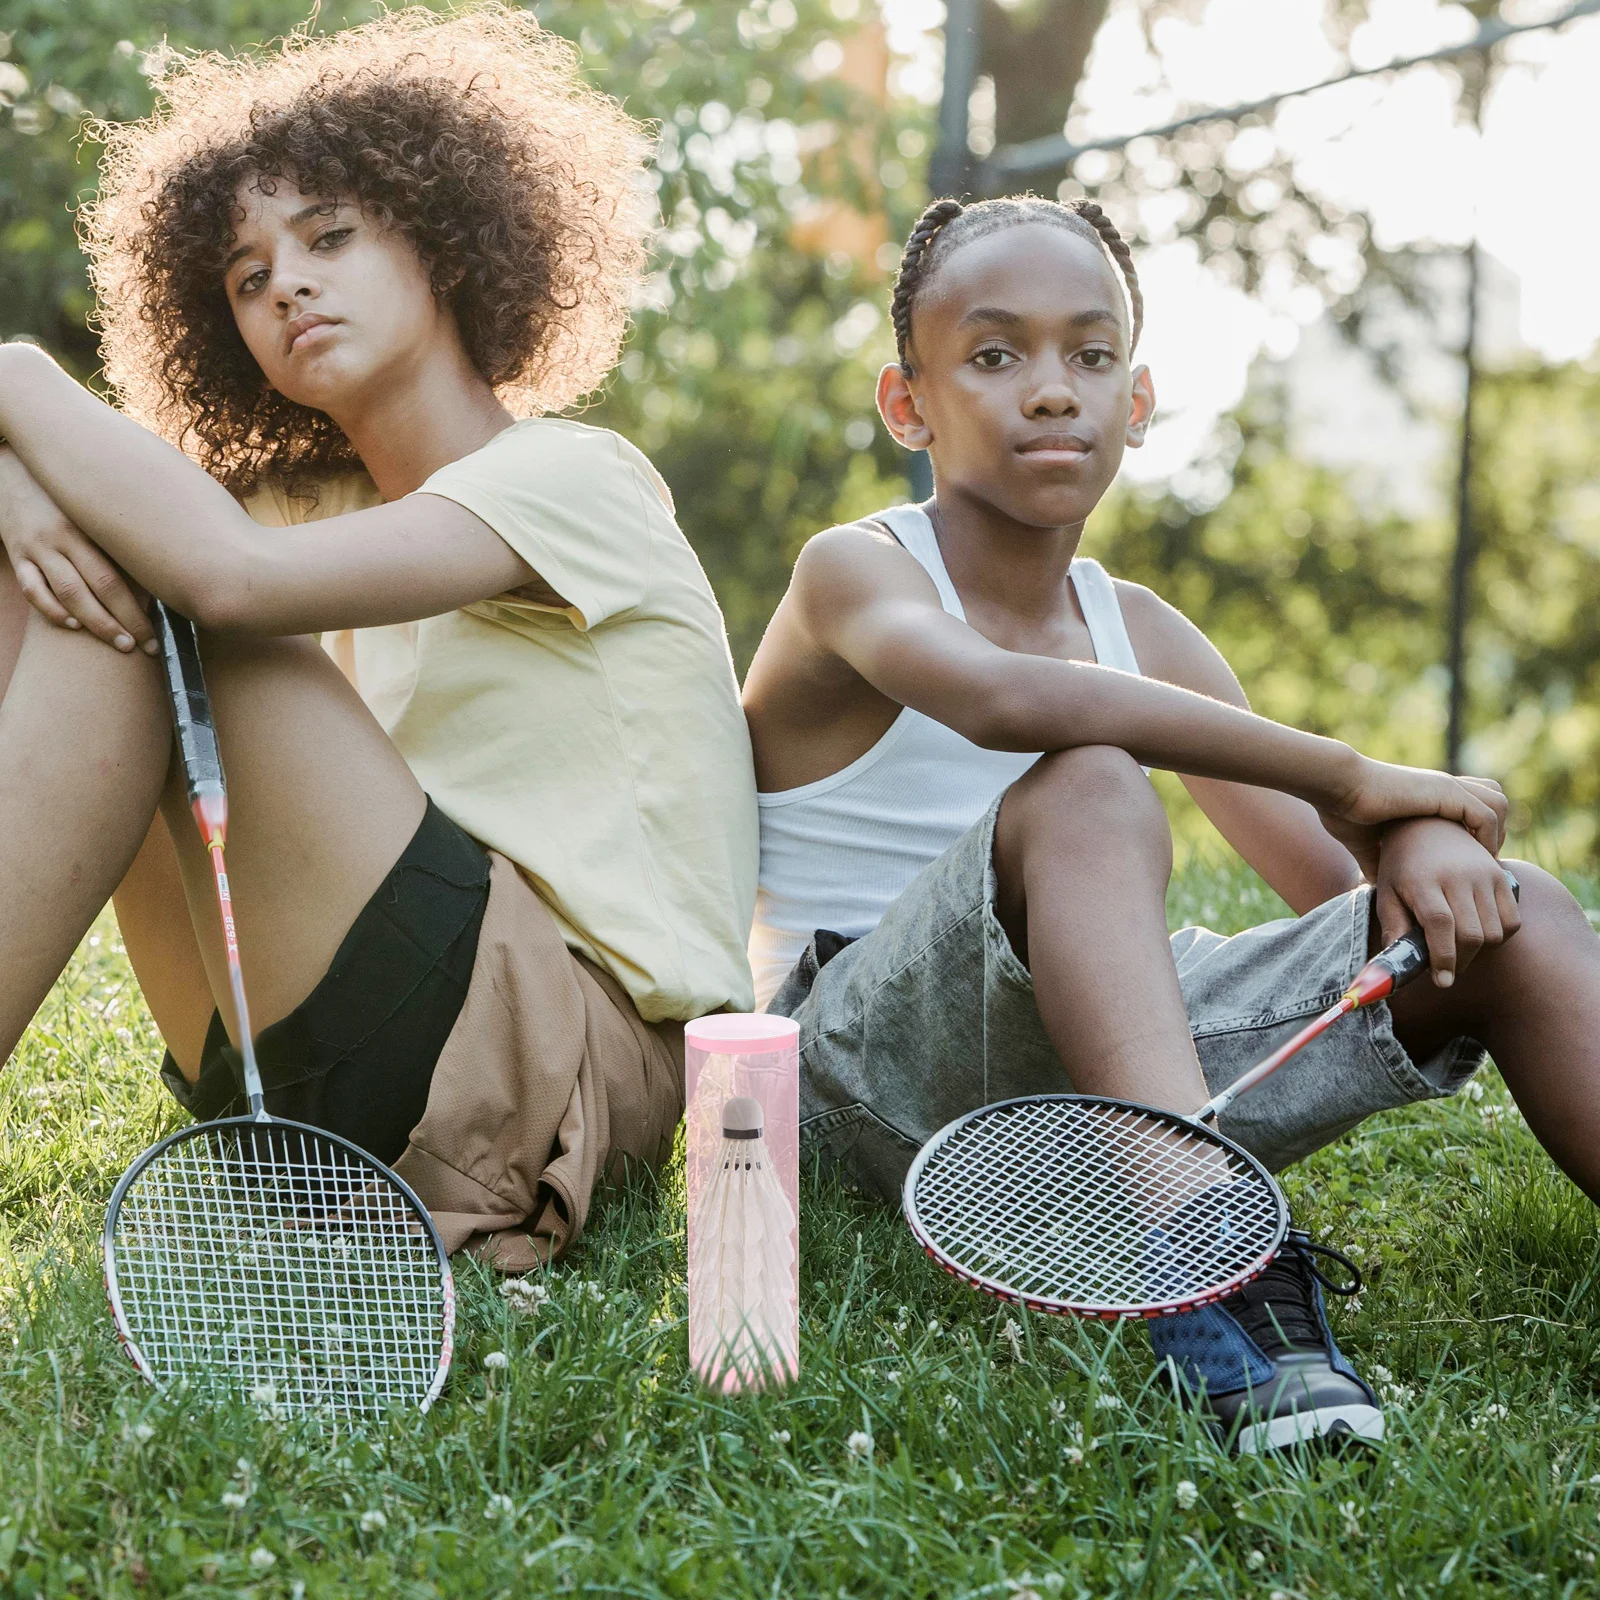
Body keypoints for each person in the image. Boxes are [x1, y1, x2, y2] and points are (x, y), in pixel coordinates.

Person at [743, 193, 1600, 1454]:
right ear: (905, 403)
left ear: (1136, 402)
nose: (1052, 390)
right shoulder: (854, 570)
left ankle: (1176, 1190)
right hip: (861, 1082)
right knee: (1092, 779)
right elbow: (1000, 699)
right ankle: (1215, 1280)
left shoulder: (1142, 630)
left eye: (1091, 355)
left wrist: (1412, 843)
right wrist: (1353, 775)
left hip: (1115, 1081)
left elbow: (1339, 905)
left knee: (1518, 909)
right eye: (995, 354)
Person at [0, 5, 758, 1269]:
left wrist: (17, 374)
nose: (286, 283)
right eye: (246, 277)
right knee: (60, 570)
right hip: (314, 1077)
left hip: (548, 1063)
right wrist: (13, 488)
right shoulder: (304, 507)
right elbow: (123, 524)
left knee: (161, 593)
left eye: (329, 236)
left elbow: (224, 578)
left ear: (445, 243)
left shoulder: (575, 478)